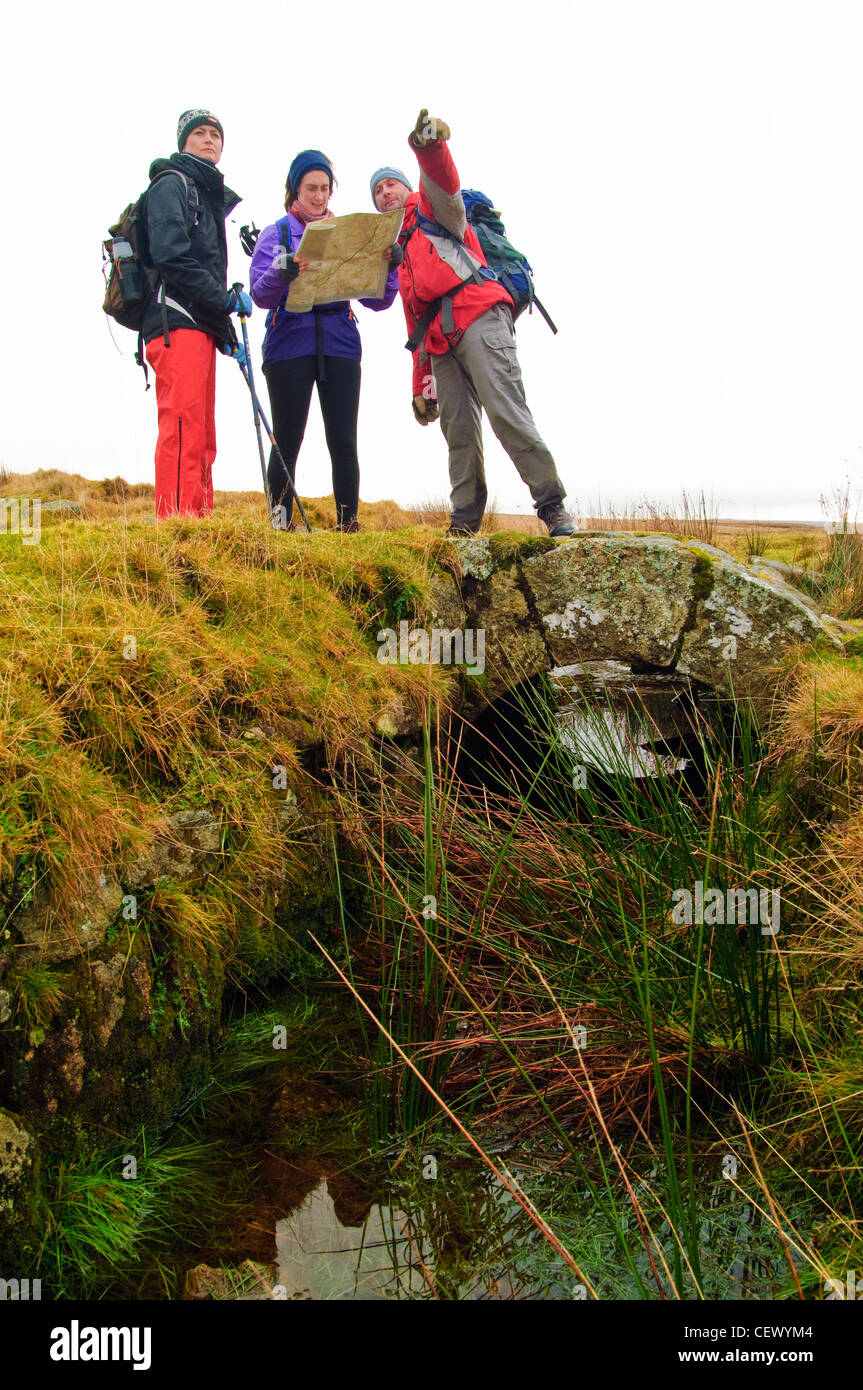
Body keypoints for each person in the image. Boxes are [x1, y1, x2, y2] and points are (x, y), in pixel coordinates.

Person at [371, 115, 575, 537]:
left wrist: (427, 148)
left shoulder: (432, 207)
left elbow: (442, 178)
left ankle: (552, 506)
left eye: (390, 183)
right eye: (376, 190)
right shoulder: (398, 250)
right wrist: (419, 387)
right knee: (458, 430)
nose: (384, 192)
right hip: (441, 341)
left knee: (506, 411)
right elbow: (415, 322)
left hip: (479, 313)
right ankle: (464, 521)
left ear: (406, 187)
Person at [249, 150, 400, 531]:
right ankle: (279, 524)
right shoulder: (276, 234)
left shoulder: (352, 235)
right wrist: (280, 272)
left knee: (343, 440)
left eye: (325, 189)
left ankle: (348, 526)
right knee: (287, 437)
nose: (319, 196)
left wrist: (390, 266)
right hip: (288, 345)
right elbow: (259, 294)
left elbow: (377, 299)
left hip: (340, 344)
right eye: (311, 188)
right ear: (295, 190)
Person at [143, 108, 251, 518]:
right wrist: (222, 300)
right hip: (176, 320)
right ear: (183, 141)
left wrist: (224, 331)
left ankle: (198, 525)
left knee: (202, 433)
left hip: (197, 325)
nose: (209, 140)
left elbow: (199, 267)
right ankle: (176, 527)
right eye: (200, 133)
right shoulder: (172, 184)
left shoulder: (204, 193)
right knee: (184, 425)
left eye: (216, 135)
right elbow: (172, 257)